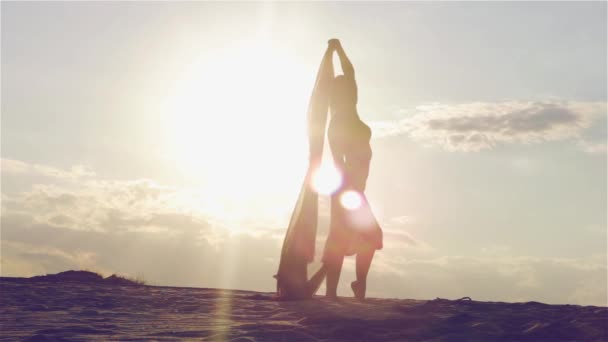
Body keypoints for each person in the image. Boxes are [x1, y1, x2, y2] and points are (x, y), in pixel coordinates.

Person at [322, 39, 383, 301]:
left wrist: (336, 50)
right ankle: (334, 291)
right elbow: (336, 161)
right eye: (343, 88)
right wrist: (346, 189)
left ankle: (358, 285)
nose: (349, 88)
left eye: (349, 87)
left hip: (355, 188)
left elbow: (350, 72)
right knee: (349, 236)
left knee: (365, 236)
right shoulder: (337, 122)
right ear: (336, 95)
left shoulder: (351, 110)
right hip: (347, 189)